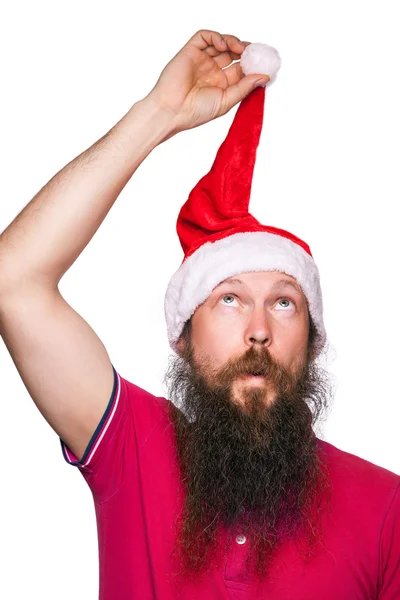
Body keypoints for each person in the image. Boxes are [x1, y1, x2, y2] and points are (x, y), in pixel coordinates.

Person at [0, 29, 398, 600]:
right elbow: (13, 279)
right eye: (229, 299)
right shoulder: (130, 447)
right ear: (182, 338)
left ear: (312, 342)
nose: (258, 330)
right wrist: (159, 114)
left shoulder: (386, 508)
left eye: (284, 303)